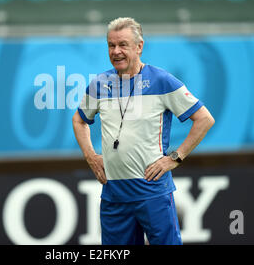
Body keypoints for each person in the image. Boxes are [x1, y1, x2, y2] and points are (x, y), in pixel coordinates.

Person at [72, 17, 215, 245]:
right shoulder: (99, 84)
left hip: (152, 191)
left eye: (123, 45)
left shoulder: (162, 81)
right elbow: (78, 120)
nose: (116, 51)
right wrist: (91, 157)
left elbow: (204, 119)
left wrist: (175, 158)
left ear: (139, 46)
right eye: (111, 45)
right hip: (114, 194)